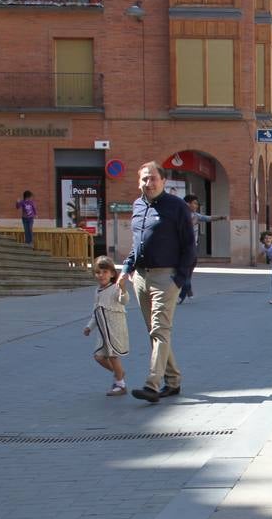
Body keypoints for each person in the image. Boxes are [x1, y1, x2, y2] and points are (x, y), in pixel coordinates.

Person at [118, 161, 195, 403]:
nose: (148, 183)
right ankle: (173, 381)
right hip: (141, 276)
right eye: (144, 179)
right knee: (155, 332)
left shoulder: (177, 207)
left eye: (153, 178)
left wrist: (179, 279)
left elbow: (189, 246)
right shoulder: (138, 205)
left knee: (160, 330)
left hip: (166, 277)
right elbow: (137, 243)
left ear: (163, 181)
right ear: (138, 181)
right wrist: (126, 268)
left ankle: (152, 384)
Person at [83, 255, 129, 396]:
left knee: (113, 356)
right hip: (103, 331)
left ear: (112, 273)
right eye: (98, 272)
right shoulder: (97, 291)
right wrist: (89, 326)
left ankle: (120, 384)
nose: (101, 275)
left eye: (105, 272)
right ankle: (119, 373)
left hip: (114, 330)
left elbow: (124, 300)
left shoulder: (115, 288)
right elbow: (96, 311)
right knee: (99, 357)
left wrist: (123, 288)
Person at [180, 194, 225, 304]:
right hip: (182, 248)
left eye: (197, 204)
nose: (196, 206)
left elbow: (208, 218)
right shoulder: (180, 215)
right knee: (184, 272)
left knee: (187, 271)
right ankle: (185, 293)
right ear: (187, 203)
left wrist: (220, 217)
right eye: (194, 203)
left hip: (191, 248)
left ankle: (185, 293)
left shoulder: (195, 215)